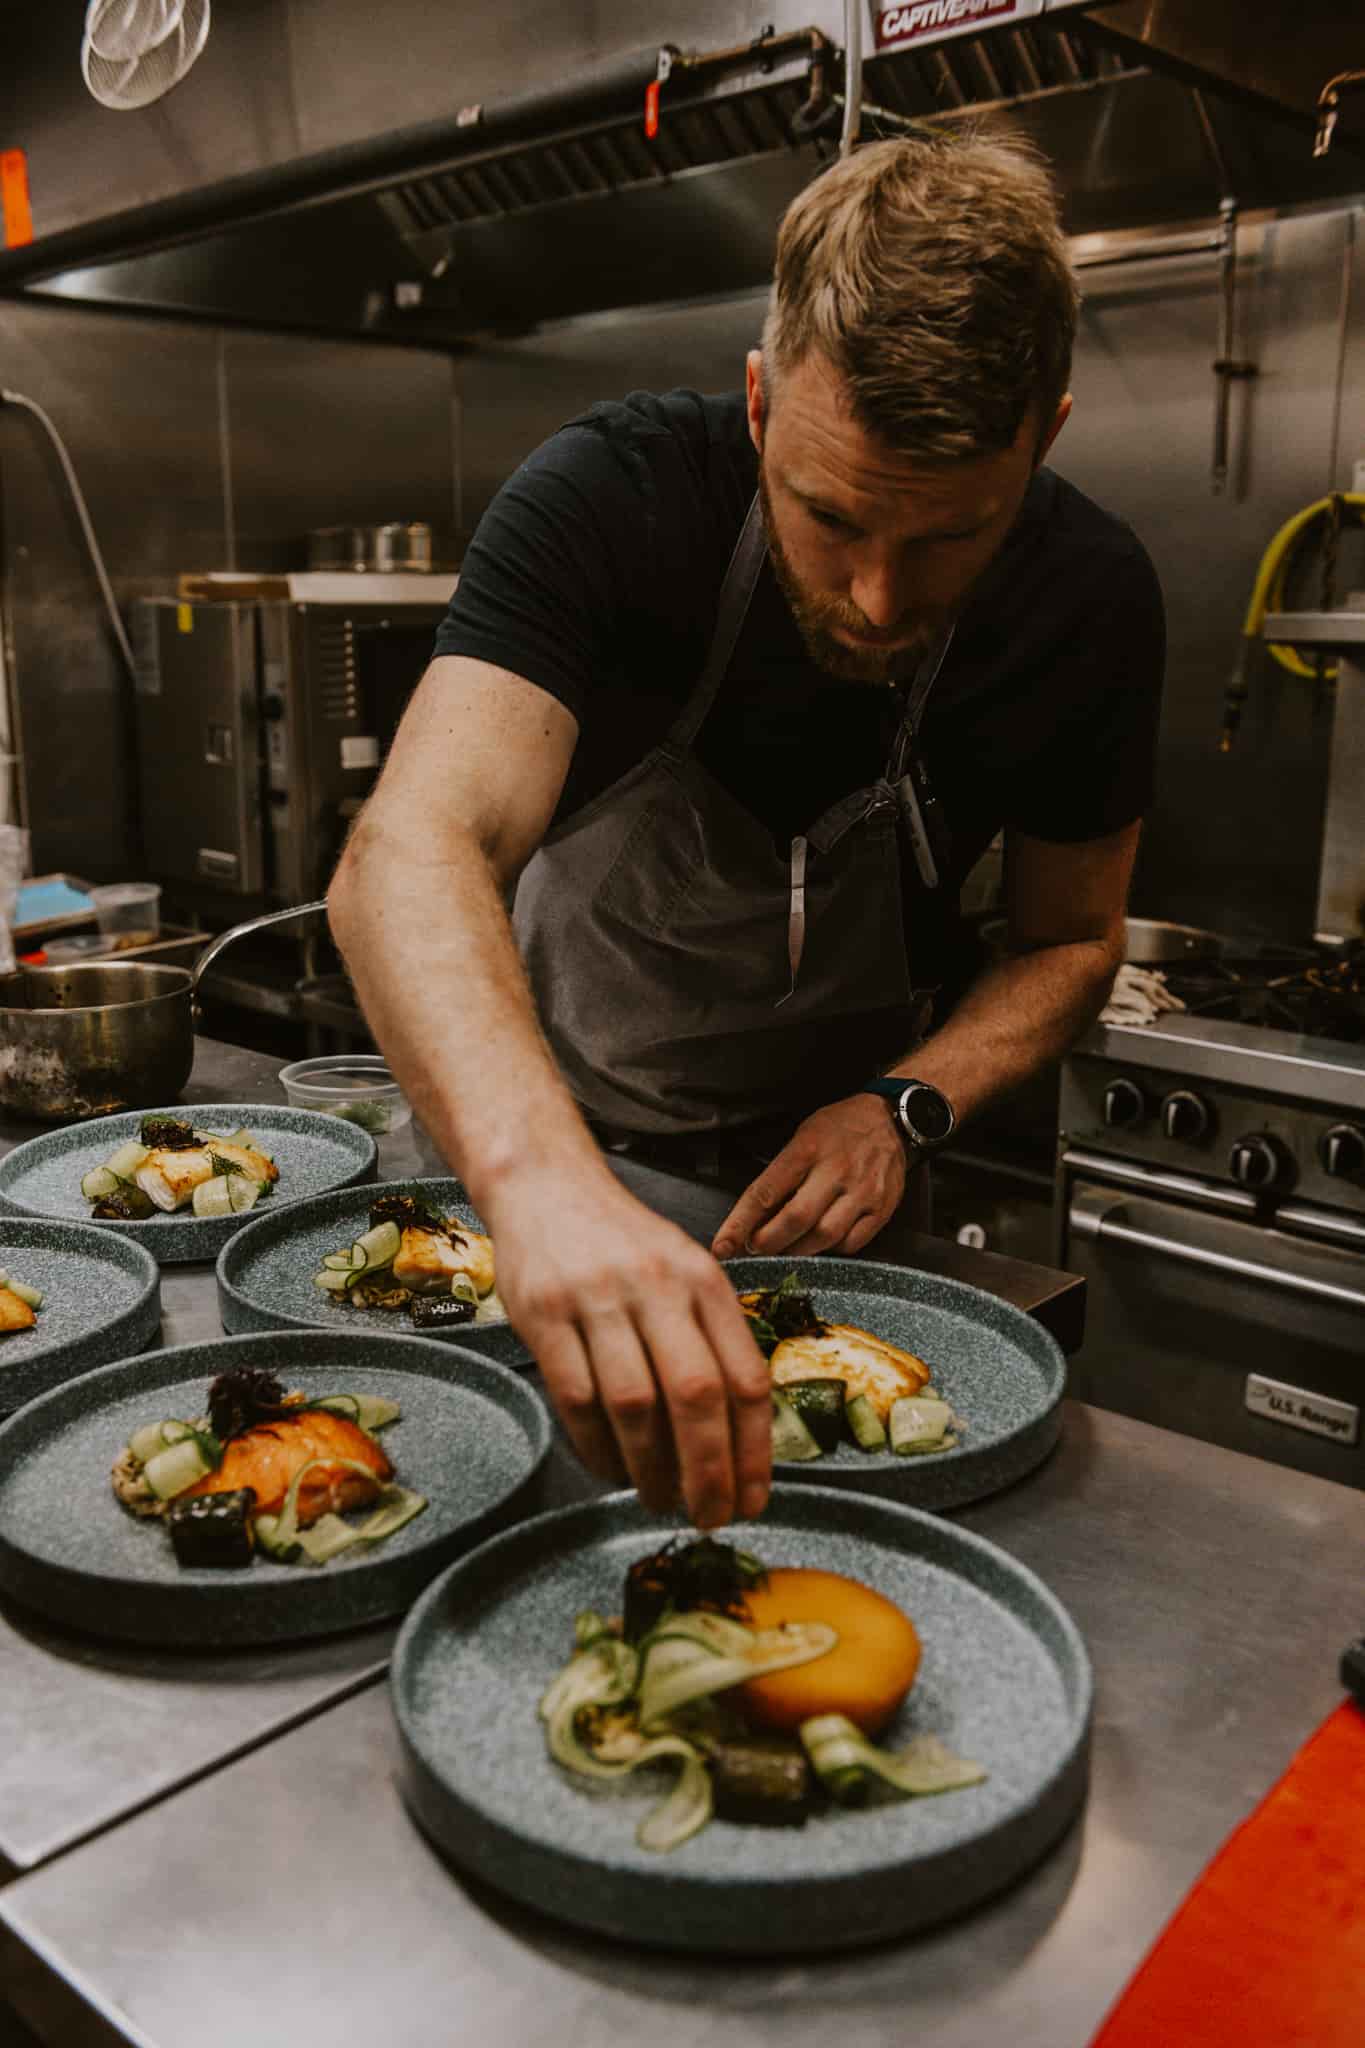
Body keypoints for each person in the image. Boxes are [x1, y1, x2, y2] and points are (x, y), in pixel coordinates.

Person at [328, 128, 1165, 1535]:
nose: (882, 600)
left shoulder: (1090, 597)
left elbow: (1071, 936)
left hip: (826, 1196)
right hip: (545, 1148)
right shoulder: (613, 494)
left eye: (952, 535)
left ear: (1050, 435)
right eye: (830, 518)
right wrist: (547, 1193)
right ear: (761, 401)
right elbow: (409, 848)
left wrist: (905, 1103)